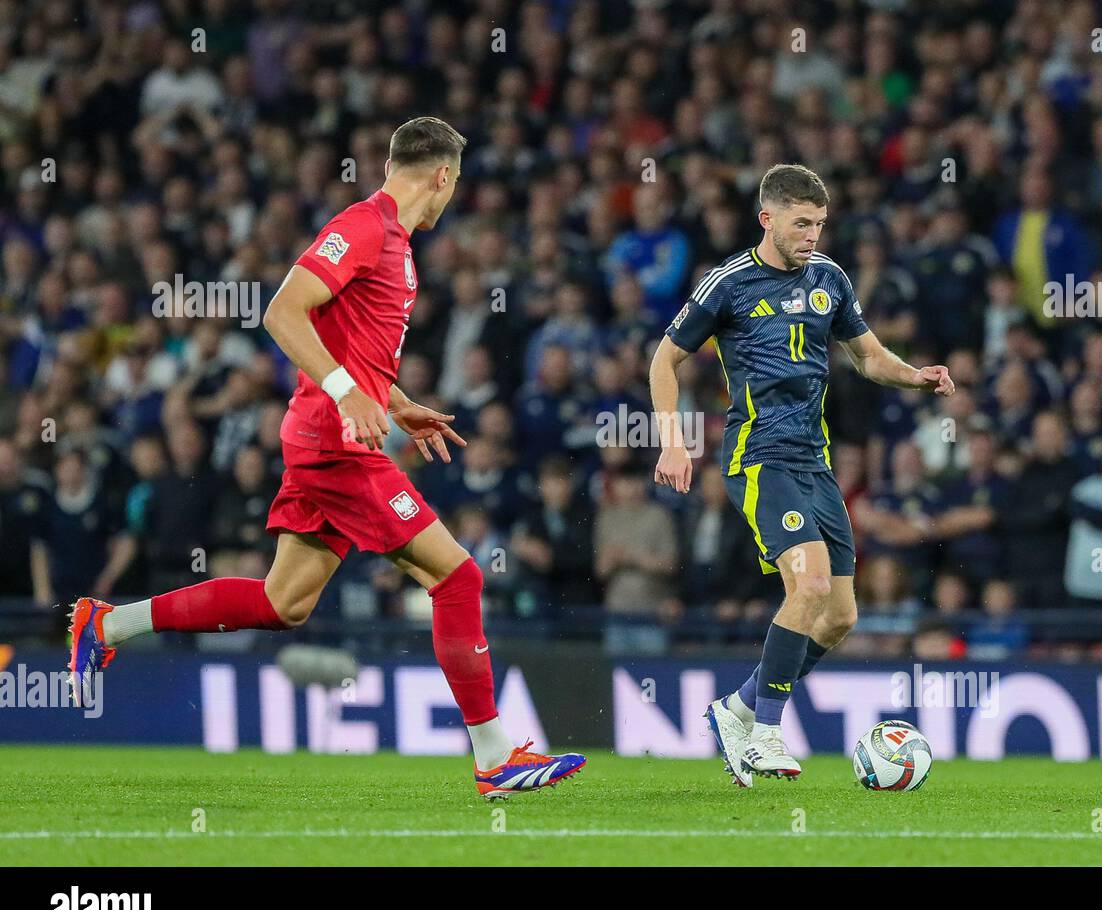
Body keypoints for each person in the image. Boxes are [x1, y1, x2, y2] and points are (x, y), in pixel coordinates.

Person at [65, 117, 585, 799]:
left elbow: (351, 344)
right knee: (458, 578)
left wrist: (392, 400)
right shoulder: (367, 227)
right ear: (442, 175)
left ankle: (108, 623)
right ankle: (495, 756)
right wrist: (348, 396)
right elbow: (282, 312)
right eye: (455, 184)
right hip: (334, 444)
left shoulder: (395, 241)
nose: (452, 196)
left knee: (285, 603)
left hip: (328, 436)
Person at [649, 163, 954, 785]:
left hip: (815, 462)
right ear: (768, 219)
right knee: (808, 585)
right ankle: (764, 732)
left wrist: (914, 375)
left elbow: (867, 356)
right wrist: (674, 442)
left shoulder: (830, 281)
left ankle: (734, 710)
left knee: (841, 615)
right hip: (758, 456)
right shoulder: (727, 284)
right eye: (801, 222)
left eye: (819, 222)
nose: (813, 234)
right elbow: (664, 359)